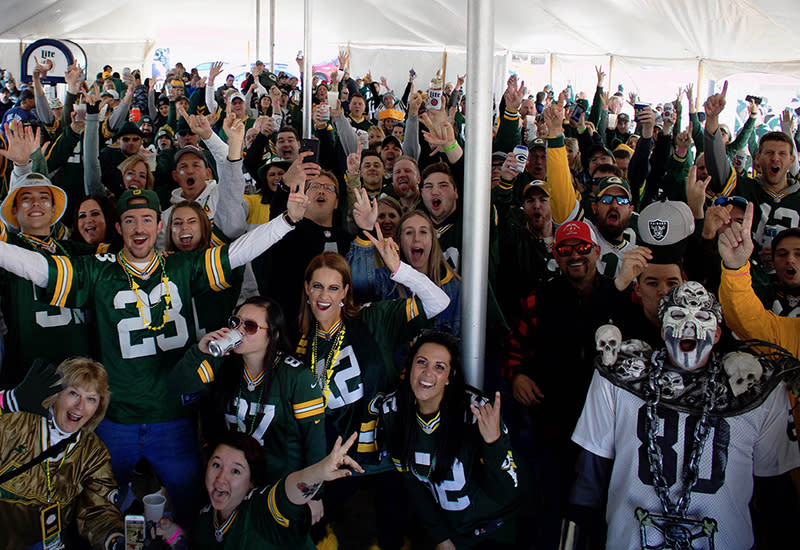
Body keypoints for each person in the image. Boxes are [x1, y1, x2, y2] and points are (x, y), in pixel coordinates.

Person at [0, 177, 311, 526]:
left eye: (147, 219)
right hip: (116, 418)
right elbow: (38, 269)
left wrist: (286, 221)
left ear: (159, 225)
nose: (139, 227)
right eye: (130, 220)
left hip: (172, 417)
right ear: (118, 227)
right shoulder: (97, 271)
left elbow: (236, 252)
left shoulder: (181, 266)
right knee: (97, 509)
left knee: (193, 508)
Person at [563, 282, 800, 549]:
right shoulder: (619, 376)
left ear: (718, 333)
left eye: (702, 317)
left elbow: (776, 494)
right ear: (663, 330)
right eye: (678, 316)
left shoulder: (756, 389)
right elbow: (588, 479)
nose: (690, 325)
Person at [374, 331, 522, 548]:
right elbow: (412, 484)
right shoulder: (392, 411)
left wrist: (494, 444)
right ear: (409, 367)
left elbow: (509, 491)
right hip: (444, 529)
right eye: (421, 362)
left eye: (439, 367)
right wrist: (441, 538)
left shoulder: (477, 412)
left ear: (450, 376)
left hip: (495, 530)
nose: (427, 373)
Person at [168, 297, 326, 491]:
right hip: (229, 483)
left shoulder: (296, 377)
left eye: (250, 327)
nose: (239, 331)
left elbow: (315, 443)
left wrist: (313, 493)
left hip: (279, 486)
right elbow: (176, 386)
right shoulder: (222, 363)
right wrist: (199, 351)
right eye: (235, 322)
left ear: (273, 335)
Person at [156, 431, 364, 549]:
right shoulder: (207, 517)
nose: (221, 478)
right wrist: (173, 534)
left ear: (251, 483)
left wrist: (319, 472)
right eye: (216, 465)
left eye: (236, 471)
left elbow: (289, 491)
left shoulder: (260, 510)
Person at [0, 358, 124, 550]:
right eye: (73, 393)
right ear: (56, 393)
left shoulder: (93, 451)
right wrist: (10, 401)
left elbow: (98, 509)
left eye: (91, 399)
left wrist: (114, 539)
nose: (80, 406)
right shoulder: (16, 424)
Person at [348, 195, 461, 336]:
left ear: (433, 241)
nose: (416, 238)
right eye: (409, 233)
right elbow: (359, 285)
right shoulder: (385, 280)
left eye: (423, 232)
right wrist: (365, 231)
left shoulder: (455, 286)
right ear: (399, 241)